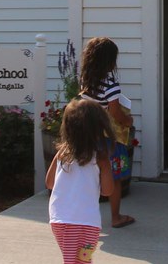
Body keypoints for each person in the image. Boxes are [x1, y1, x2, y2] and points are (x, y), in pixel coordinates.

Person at [46, 98, 115, 264]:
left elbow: (49, 183)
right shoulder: (100, 158)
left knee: (75, 261)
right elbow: (107, 191)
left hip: (59, 219)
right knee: (81, 261)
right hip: (86, 221)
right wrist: (106, 169)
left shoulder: (62, 153)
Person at [79, 37, 135, 228]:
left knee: (90, 178)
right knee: (115, 178)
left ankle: (86, 218)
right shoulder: (111, 86)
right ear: (110, 61)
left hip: (89, 135)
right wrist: (128, 120)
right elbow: (115, 113)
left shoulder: (86, 81)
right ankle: (116, 217)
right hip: (108, 140)